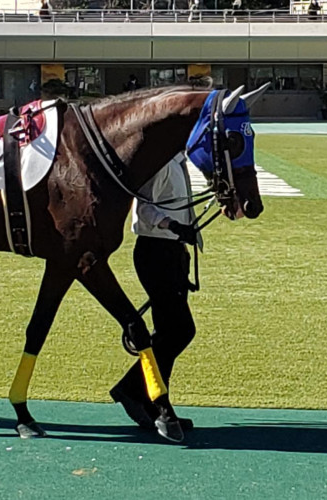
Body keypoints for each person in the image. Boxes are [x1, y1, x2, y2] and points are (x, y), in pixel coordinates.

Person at [110, 152, 201, 432]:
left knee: (168, 333)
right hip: (155, 251)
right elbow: (144, 210)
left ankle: (153, 401)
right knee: (180, 331)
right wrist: (173, 226)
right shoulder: (159, 161)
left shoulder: (175, 157)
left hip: (171, 252)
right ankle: (132, 389)